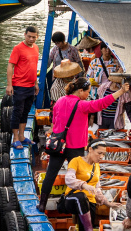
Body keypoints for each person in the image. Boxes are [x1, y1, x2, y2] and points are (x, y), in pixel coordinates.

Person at [39, 76, 124, 211]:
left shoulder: (60, 101)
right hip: (75, 147)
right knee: (79, 177)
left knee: (51, 174)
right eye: (87, 91)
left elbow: (54, 120)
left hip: (58, 145)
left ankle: (42, 203)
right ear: (80, 91)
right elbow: (101, 104)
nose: (88, 94)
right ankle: (75, 206)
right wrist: (120, 92)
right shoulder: (82, 105)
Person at [62, 141, 109, 231]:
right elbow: (69, 179)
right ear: (90, 149)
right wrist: (84, 185)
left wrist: (102, 198)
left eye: (103, 154)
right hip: (72, 199)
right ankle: (89, 229)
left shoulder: (96, 166)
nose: (101, 156)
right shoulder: (76, 161)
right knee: (81, 196)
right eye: (99, 153)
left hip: (89, 202)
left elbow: (97, 186)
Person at [6, 26, 40, 147]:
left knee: (26, 111)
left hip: (31, 86)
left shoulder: (36, 47)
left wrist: (36, 83)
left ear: (37, 37)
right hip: (19, 85)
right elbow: (10, 66)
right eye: (29, 36)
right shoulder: (18, 48)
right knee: (17, 111)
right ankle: (15, 138)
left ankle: (22, 135)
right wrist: (9, 85)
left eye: (33, 37)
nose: (31, 39)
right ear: (24, 35)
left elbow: (34, 67)